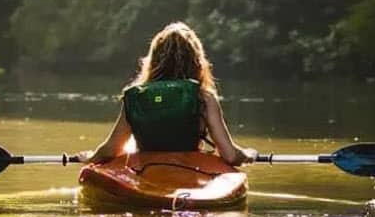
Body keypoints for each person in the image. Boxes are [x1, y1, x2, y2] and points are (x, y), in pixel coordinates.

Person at [78, 22, 256, 166]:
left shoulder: (136, 96)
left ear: (154, 59)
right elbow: (230, 156)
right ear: (196, 61)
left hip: (145, 172)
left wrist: (91, 157)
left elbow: (111, 150)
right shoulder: (204, 98)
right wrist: (248, 154)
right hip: (190, 171)